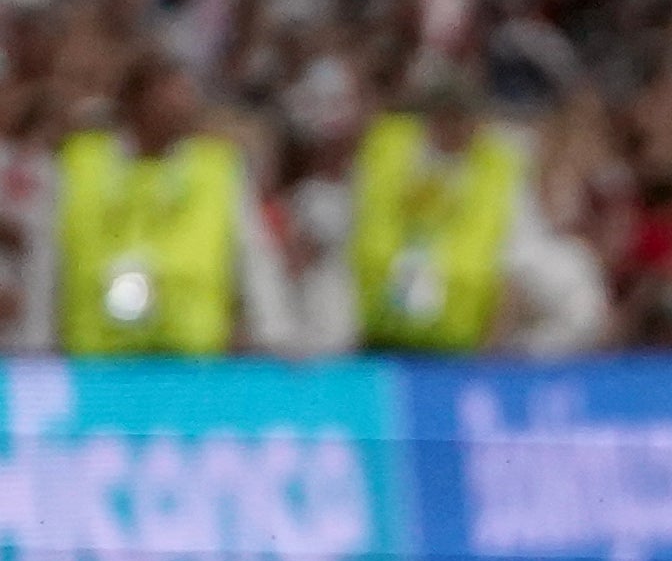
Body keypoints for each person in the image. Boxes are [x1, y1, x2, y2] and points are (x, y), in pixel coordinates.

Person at [39, 54, 291, 353]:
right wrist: (38, 341)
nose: (182, 106)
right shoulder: (81, 164)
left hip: (191, 360)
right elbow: (47, 253)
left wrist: (274, 335)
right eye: (170, 95)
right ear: (135, 102)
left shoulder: (217, 168)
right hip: (97, 361)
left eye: (186, 95)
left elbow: (254, 255)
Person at [353, 60, 528, 353]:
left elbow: (513, 259)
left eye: (467, 117)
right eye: (450, 116)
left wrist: (493, 342)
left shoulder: (498, 167)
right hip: (380, 334)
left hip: (458, 344)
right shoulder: (389, 150)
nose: (461, 128)